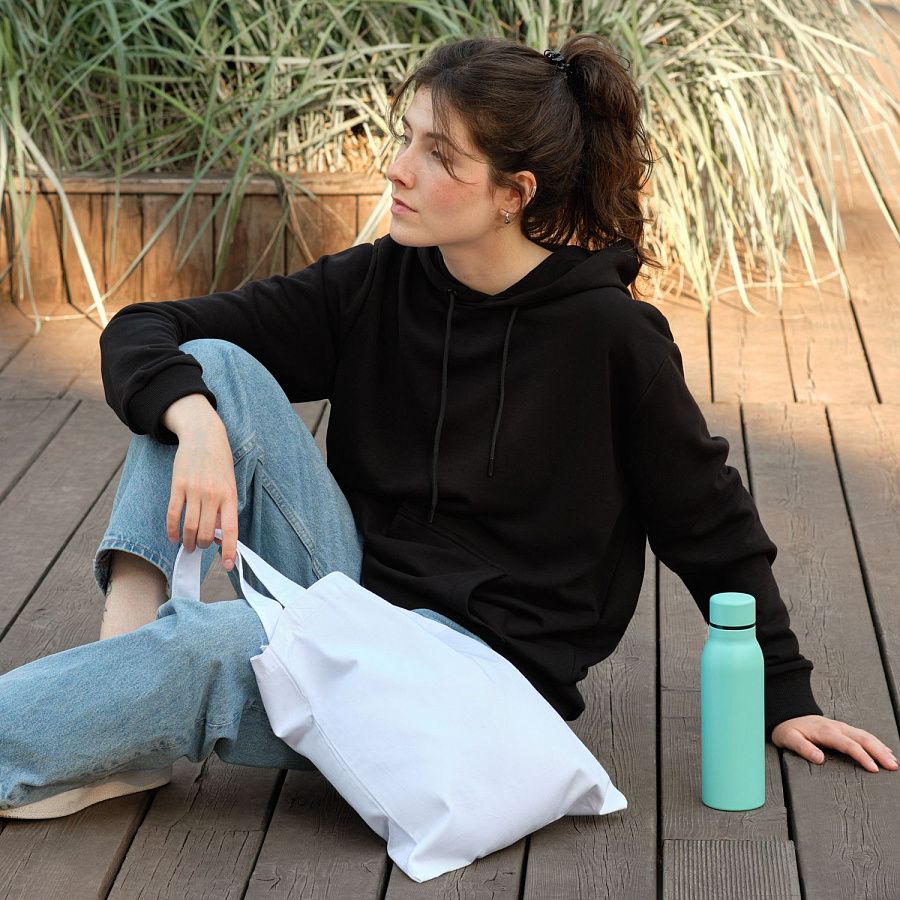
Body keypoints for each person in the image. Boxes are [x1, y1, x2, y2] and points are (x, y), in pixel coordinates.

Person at [1, 33, 896, 821]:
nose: (398, 168)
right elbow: (146, 329)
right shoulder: (379, 283)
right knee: (206, 369)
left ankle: (104, 721)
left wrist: (786, 691)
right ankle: (119, 724)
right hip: (361, 607)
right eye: (407, 138)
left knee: (215, 647)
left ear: (512, 193)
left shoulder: (608, 337)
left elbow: (710, 522)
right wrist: (195, 420)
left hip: (473, 687)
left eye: (438, 155)